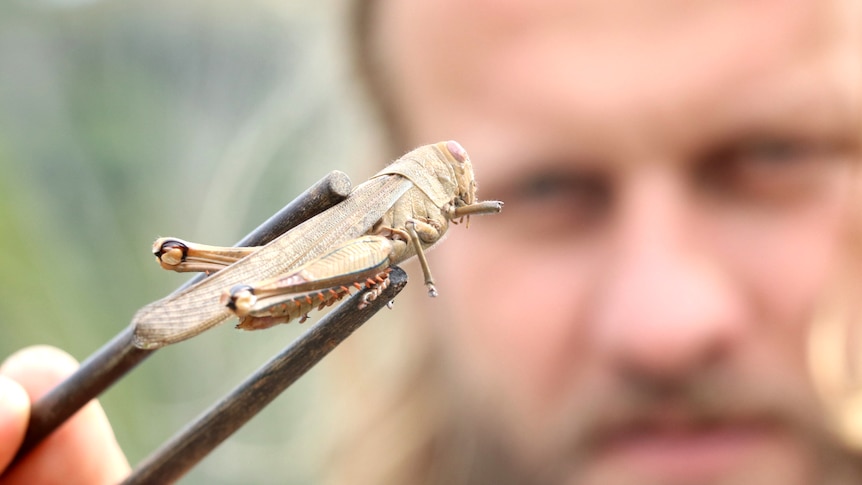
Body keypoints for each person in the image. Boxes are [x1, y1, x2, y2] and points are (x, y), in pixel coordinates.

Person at [2, 0, 861, 484]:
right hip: (294, 275)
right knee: (239, 280)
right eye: (550, 187)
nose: (663, 322)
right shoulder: (405, 212)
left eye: (773, 155)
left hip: (322, 271)